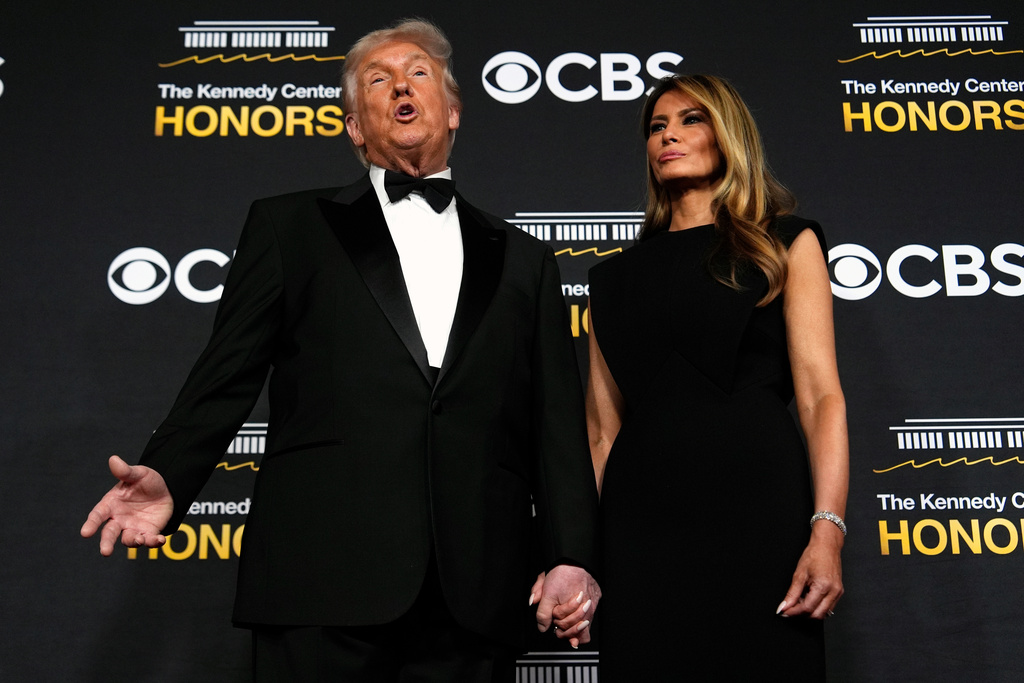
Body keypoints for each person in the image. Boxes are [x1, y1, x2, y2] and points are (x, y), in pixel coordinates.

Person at [81, 19, 600, 682]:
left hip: (474, 593)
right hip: (319, 584)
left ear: (454, 110)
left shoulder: (526, 260)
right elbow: (226, 374)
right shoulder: (289, 226)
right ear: (356, 127)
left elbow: (555, 423)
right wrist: (170, 475)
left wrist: (571, 554)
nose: (400, 87)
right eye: (378, 81)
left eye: (417, 73)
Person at [585, 74, 848, 680]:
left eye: (690, 120)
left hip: (759, 509)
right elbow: (602, 434)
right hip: (641, 527)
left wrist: (827, 530)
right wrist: (584, 557)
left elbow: (821, 397)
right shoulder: (611, 279)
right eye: (657, 127)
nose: (669, 135)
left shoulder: (783, 244)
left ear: (728, 137)